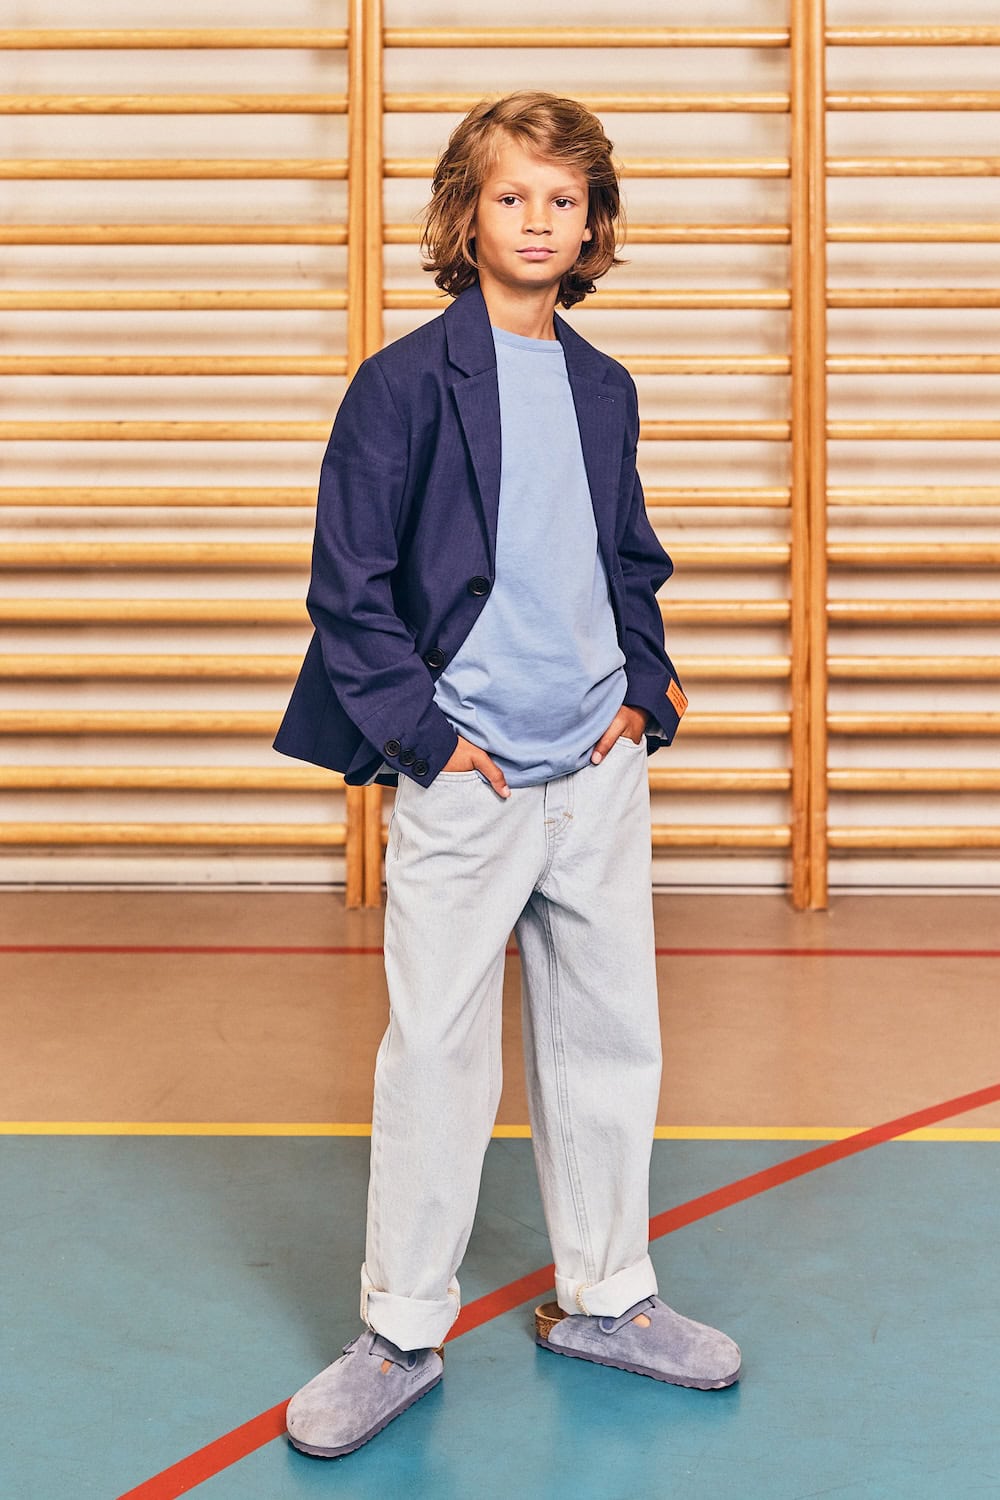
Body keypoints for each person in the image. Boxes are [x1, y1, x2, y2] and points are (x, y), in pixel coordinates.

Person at [273, 90, 740, 1460]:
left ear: (594, 225)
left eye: (564, 200)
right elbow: (350, 590)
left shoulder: (606, 388)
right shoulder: (400, 386)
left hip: (594, 768)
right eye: (512, 195)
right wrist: (430, 743)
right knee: (436, 1051)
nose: (538, 220)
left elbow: (627, 559)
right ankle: (400, 1329)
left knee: (610, 1039)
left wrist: (643, 695)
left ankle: (610, 1297)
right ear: (465, 215)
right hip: (466, 776)